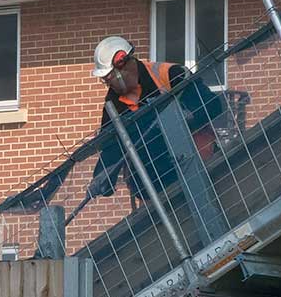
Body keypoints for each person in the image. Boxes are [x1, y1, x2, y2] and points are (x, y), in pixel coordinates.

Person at [88, 36, 223, 201]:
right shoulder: (113, 106)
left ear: (123, 66)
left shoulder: (169, 74)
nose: (109, 86)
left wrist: (177, 121)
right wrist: (102, 176)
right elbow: (112, 147)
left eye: (109, 79)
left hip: (198, 166)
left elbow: (212, 105)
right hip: (155, 191)